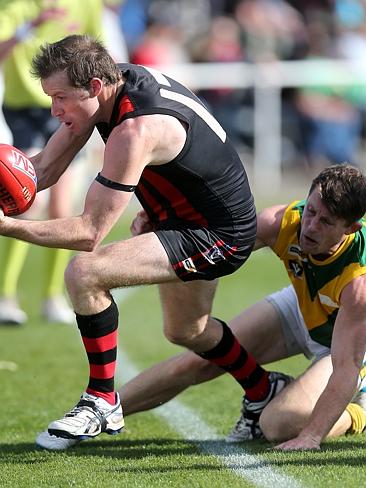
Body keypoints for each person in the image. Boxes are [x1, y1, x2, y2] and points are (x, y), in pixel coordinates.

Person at [0, 34, 292, 443]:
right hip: (180, 218)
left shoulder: (135, 129)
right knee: (187, 331)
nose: (54, 109)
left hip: (216, 233)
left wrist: (9, 226)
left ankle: (101, 399)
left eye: (60, 97)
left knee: (85, 272)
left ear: (95, 88)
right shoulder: (109, 87)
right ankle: (264, 389)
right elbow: (41, 172)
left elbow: (88, 233)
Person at [35, 164, 366, 451]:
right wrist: (160, 238)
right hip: (303, 307)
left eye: (326, 222)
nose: (310, 227)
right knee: (199, 360)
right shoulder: (282, 222)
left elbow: (346, 366)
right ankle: (101, 410)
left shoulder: (358, 283)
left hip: (347, 343)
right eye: (311, 211)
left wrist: (310, 436)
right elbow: (209, 250)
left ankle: (359, 412)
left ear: (352, 228)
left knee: (277, 425)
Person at [0, 0, 106, 325]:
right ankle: (6, 296)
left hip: (71, 109)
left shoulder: (87, 4)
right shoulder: (17, 5)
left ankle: (52, 297)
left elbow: (97, 55)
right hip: (25, 111)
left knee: (63, 208)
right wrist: (27, 29)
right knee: (28, 202)